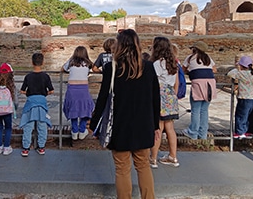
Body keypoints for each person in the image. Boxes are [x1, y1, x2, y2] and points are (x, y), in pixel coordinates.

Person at [90, 29, 161, 199]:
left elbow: (102, 98)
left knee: (122, 168)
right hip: (143, 124)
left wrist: (94, 123)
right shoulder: (149, 67)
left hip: (119, 125)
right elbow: (155, 98)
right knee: (143, 165)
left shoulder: (110, 68)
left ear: (119, 46)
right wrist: (156, 125)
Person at [149, 36, 180, 169]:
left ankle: (153, 158)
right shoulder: (173, 62)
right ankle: (173, 156)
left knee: (158, 128)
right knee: (170, 129)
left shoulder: (157, 64)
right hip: (171, 95)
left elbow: (153, 82)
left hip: (160, 95)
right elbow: (176, 82)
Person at [19, 52, 54, 156]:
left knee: (28, 126)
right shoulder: (46, 76)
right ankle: (41, 147)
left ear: (32, 62)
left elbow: (22, 91)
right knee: (42, 125)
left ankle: (26, 148)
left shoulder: (28, 76)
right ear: (42, 62)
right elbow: (51, 90)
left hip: (30, 102)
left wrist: (29, 94)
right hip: (42, 102)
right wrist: (44, 94)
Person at [182, 41, 217, 140]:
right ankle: (203, 134)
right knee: (204, 110)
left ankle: (193, 132)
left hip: (198, 83)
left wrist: (191, 71)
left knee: (195, 110)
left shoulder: (190, 58)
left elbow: (183, 69)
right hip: (210, 84)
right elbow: (214, 70)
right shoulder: (208, 58)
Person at [62, 46, 95, 140]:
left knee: (73, 109)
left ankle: (74, 130)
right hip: (83, 89)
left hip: (72, 89)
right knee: (86, 108)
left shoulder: (71, 62)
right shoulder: (88, 63)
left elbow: (62, 68)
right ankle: (82, 129)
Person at [0, 63, 18, 155]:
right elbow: (16, 102)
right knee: (8, 128)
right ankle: (6, 147)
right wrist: (15, 108)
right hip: (7, 111)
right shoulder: (12, 87)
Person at [227, 56, 253, 139]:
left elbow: (230, 73)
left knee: (240, 115)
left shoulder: (241, 73)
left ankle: (240, 132)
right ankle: (247, 130)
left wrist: (237, 67)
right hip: (252, 98)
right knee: (248, 115)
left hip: (244, 98)